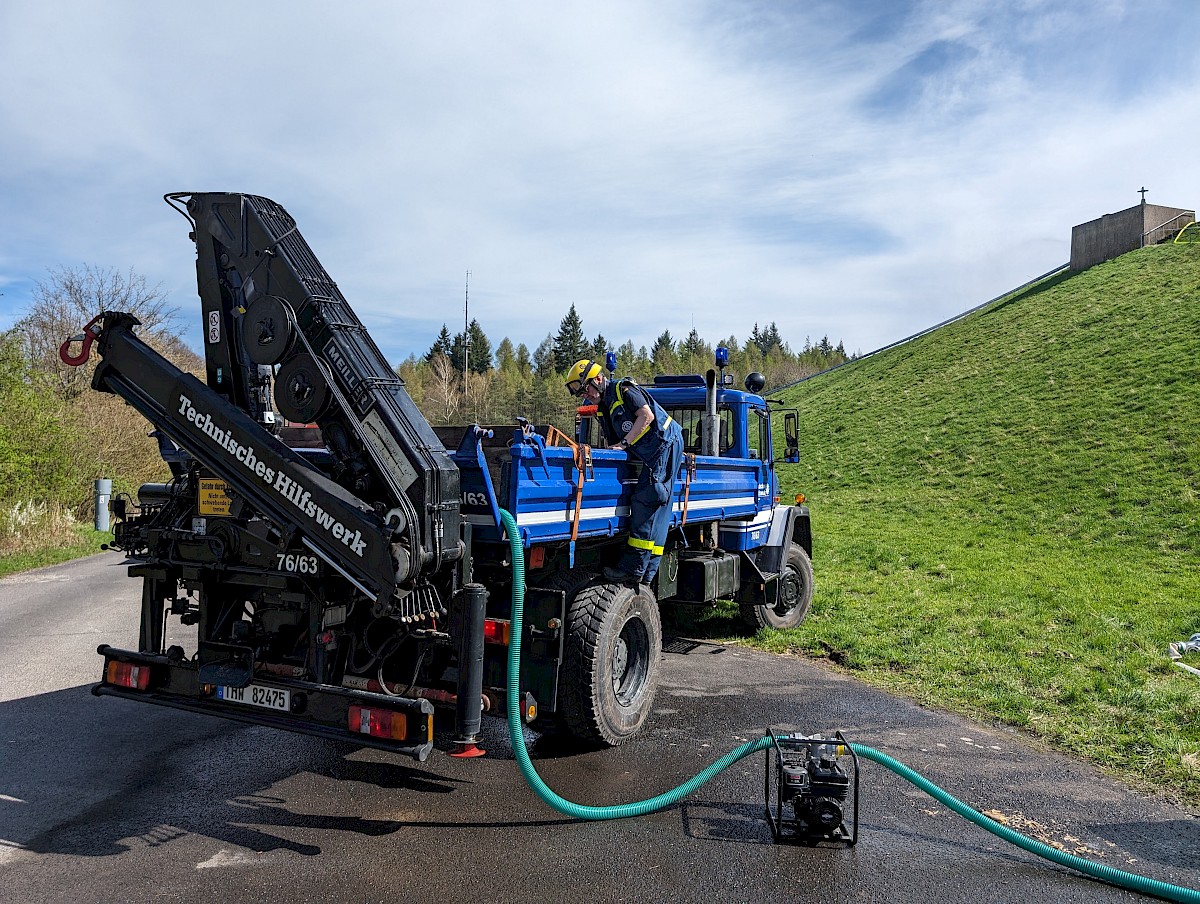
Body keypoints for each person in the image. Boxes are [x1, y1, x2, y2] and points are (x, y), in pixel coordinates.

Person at [566, 359, 684, 585]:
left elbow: (646, 416)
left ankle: (633, 569)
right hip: (655, 449)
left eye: (587, 388)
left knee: (647, 498)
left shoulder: (624, 390)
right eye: (581, 392)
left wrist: (625, 444)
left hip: (663, 443)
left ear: (599, 379)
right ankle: (648, 572)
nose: (586, 394)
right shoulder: (604, 405)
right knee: (659, 508)